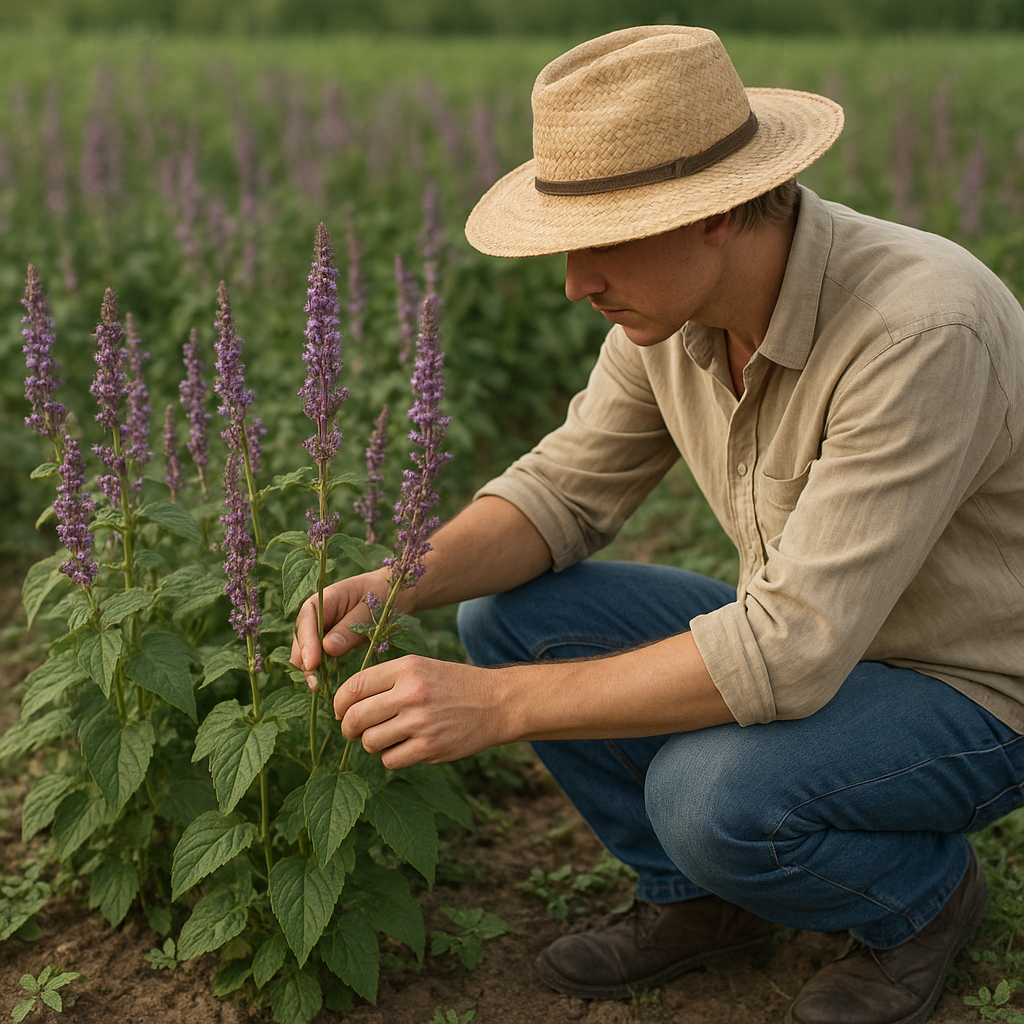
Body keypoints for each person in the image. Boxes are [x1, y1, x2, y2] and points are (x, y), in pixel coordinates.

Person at [291, 25, 1024, 1024]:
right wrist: (395, 583)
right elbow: (563, 492)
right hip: (823, 643)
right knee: (506, 615)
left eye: (602, 240)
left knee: (704, 794)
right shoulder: (674, 312)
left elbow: (791, 648)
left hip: (972, 689)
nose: (573, 283)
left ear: (715, 212)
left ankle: (922, 903)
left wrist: (501, 707)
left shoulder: (918, 328)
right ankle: (705, 904)